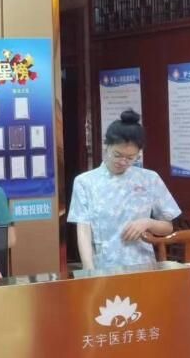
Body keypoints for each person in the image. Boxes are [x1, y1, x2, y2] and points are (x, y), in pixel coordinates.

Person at [67, 109, 180, 270]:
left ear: (138, 154)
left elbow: (167, 228)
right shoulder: (85, 182)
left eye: (130, 158)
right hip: (103, 265)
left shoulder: (149, 179)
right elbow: (83, 230)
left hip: (142, 265)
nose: (123, 162)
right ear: (106, 147)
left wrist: (147, 222)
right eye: (117, 155)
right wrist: (89, 269)